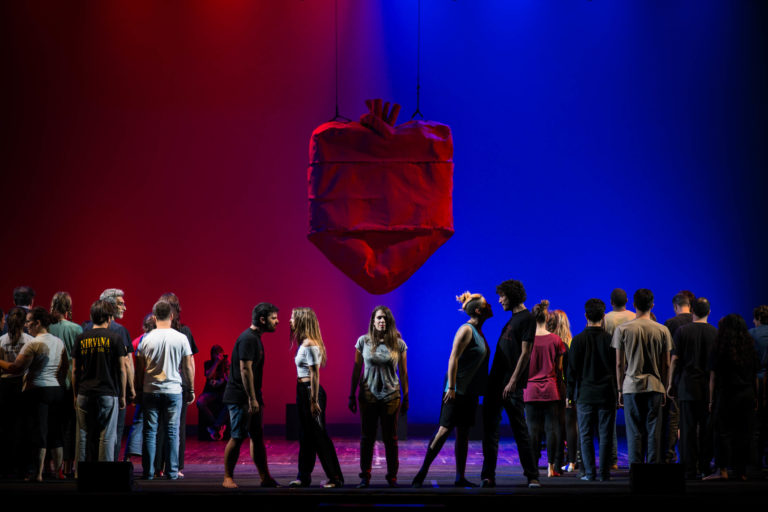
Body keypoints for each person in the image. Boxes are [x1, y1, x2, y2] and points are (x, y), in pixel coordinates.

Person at [411, 292, 490, 488]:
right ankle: (421, 473)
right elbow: (453, 358)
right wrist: (452, 387)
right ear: (478, 310)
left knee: (463, 434)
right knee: (444, 430)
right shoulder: (466, 330)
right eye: (486, 304)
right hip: (456, 390)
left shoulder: (479, 332)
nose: (490, 306)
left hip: (469, 392)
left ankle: (460, 477)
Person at [481, 279, 540, 488]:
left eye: (502, 296)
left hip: (510, 386)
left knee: (520, 431)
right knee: (490, 432)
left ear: (512, 295)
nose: (499, 300)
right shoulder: (512, 320)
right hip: (496, 384)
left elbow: (526, 353)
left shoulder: (527, 319)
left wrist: (513, 381)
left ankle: (532, 476)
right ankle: (488, 476)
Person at [0, 307, 68, 482]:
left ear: (38, 323)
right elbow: (65, 367)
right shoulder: (58, 341)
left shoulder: (33, 343)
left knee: (40, 432)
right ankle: (58, 472)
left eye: (29, 322)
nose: (26, 325)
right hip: (56, 389)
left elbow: (16, 367)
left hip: (38, 389)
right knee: (56, 433)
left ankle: (37, 474)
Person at [349, 306, 409, 488]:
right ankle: (365, 476)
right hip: (368, 396)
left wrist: (406, 396)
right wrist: (351, 394)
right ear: (373, 321)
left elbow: (403, 373)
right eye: (379, 318)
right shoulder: (363, 342)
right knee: (367, 438)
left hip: (391, 397)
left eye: (385, 318)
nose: (382, 321)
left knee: (390, 438)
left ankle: (392, 477)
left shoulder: (398, 344)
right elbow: (356, 370)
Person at [134, 300, 194, 480]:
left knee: (150, 432)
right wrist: (191, 389)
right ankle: (172, 472)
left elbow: (139, 369)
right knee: (172, 432)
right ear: (172, 316)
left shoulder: (146, 339)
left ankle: (148, 472)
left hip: (150, 390)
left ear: (154, 317)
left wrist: (138, 390)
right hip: (173, 391)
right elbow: (188, 366)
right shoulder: (181, 338)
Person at [222, 303, 280, 489]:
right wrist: (252, 398)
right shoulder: (248, 339)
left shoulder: (255, 338)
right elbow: (245, 369)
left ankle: (265, 477)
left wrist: (256, 398)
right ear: (262, 320)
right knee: (237, 436)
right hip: (240, 397)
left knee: (257, 436)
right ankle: (227, 477)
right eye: (273, 318)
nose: (277, 321)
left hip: (251, 396)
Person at [612, 288, 672, 465]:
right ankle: (652, 471)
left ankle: (636, 471)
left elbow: (619, 364)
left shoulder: (623, 329)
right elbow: (667, 364)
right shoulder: (662, 330)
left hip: (631, 386)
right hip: (655, 386)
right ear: (652, 305)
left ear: (634, 304)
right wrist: (665, 387)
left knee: (634, 432)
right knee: (653, 432)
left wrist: (619, 389)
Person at [289, 307, 343, 488]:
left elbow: (315, 373)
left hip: (311, 391)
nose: (290, 321)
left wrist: (313, 400)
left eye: (293, 318)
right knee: (305, 436)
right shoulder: (303, 343)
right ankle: (303, 477)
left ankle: (335, 477)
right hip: (302, 390)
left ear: (302, 321)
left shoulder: (311, 344)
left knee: (319, 436)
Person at [81, 288, 134, 461]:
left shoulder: (84, 329)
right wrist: (130, 390)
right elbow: (126, 364)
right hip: (112, 390)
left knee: (89, 434)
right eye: (120, 304)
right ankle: (108, 472)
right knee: (112, 435)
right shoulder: (119, 331)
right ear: (109, 306)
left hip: (86, 391)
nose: (124, 308)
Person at [71, 300, 128, 462]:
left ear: (92, 317)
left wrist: (75, 395)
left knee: (83, 436)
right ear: (109, 318)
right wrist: (123, 395)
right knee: (107, 436)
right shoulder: (115, 338)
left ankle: (80, 472)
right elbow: (122, 369)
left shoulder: (81, 338)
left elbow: (75, 370)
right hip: (108, 393)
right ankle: (105, 472)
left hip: (84, 393)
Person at [567, 298, 616, 481]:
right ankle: (604, 473)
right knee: (606, 435)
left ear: (585, 315)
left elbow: (572, 371)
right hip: (606, 394)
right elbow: (616, 368)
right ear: (603, 317)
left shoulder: (577, 341)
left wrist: (570, 395)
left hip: (585, 395)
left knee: (585, 435)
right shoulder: (610, 340)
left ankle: (589, 473)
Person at [667, 297, 716, 479]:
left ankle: (688, 469)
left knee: (687, 430)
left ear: (692, 311)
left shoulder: (682, 331)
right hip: (707, 388)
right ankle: (704, 466)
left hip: (686, 387)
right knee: (706, 430)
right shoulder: (715, 333)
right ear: (709, 312)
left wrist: (670, 383)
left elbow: (674, 360)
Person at [706, 314, 759, 481]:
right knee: (743, 433)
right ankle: (741, 471)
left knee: (722, 432)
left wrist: (711, 400)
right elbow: (755, 376)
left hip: (726, 394)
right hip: (747, 394)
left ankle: (722, 470)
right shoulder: (749, 347)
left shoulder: (719, 348)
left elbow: (713, 377)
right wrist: (756, 397)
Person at [156, 292, 198, 477]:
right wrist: (191, 387)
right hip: (178, 385)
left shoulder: (153, 332)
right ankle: (175, 467)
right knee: (177, 427)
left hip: (156, 384)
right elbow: (189, 362)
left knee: (158, 427)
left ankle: (157, 467)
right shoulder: (184, 332)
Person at [524, 300, 565, 478]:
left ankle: (533, 468)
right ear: (547, 318)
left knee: (532, 431)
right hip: (551, 389)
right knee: (552, 429)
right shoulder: (556, 340)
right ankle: (551, 467)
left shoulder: (527, 340)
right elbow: (559, 368)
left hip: (530, 391)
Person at [48, 292, 83, 477]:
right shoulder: (76, 329)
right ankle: (69, 466)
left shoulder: (47, 328)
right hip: (70, 382)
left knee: (52, 423)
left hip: (51, 381)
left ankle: (52, 466)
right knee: (70, 425)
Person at [661, 292, 694, 464]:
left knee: (673, 419)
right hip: (695, 379)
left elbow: (667, 354)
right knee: (692, 420)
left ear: (675, 307)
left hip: (675, 378)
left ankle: (669, 455)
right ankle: (691, 457)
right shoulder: (697, 321)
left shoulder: (670, 323)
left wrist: (667, 380)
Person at [0, 308, 34, 477]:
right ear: (23, 324)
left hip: (4, 385)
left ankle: (6, 466)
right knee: (22, 427)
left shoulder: (1, 341)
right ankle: (22, 467)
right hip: (23, 385)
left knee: (5, 426)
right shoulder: (30, 341)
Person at [123, 313, 156, 463]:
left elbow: (130, 367)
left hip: (140, 387)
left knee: (138, 421)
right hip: (153, 386)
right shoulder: (156, 341)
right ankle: (152, 462)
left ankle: (128, 456)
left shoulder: (137, 341)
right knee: (154, 424)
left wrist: (133, 389)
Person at [548, 308, 577, 474]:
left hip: (556, 387)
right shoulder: (570, 343)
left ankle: (557, 460)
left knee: (557, 426)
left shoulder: (551, 343)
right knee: (570, 425)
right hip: (568, 387)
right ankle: (572, 461)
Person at [749, 305, 768, 470]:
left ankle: (755, 462)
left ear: (758, 319)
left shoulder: (751, 334)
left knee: (755, 423)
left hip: (755, 383)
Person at [198, 344, 229, 441]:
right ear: (212, 355)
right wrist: (216, 362)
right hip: (210, 392)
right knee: (200, 402)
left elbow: (230, 379)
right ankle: (218, 425)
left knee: (232, 403)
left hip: (223, 393)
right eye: (216, 353)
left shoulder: (226, 363)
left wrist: (222, 380)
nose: (218, 355)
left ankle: (215, 427)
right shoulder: (208, 363)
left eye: (220, 353)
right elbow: (209, 376)